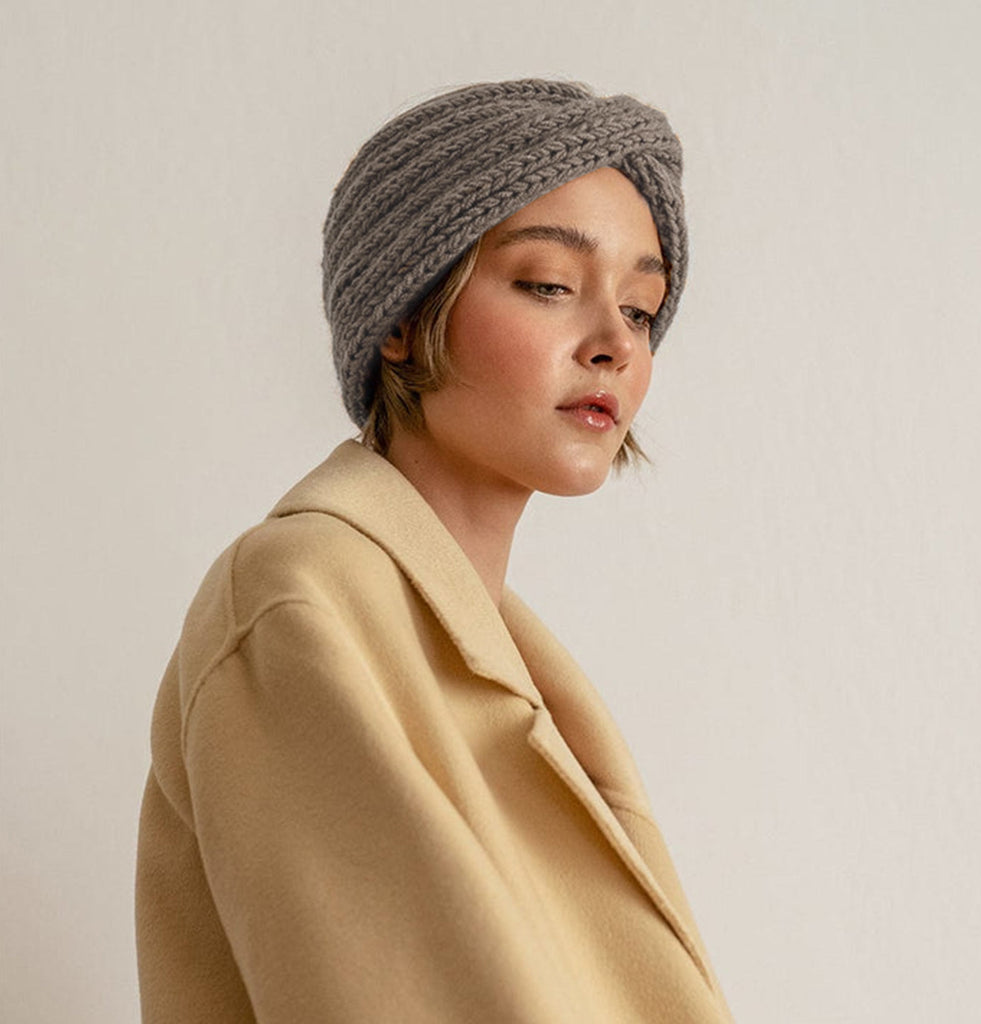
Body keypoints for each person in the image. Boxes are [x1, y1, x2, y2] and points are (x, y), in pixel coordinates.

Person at [135, 78, 733, 1023]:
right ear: (403, 321)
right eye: (549, 284)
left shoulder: (515, 664)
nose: (614, 343)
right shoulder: (298, 601)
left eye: (642, 308)